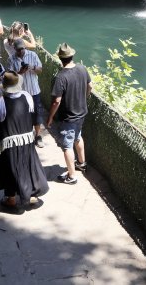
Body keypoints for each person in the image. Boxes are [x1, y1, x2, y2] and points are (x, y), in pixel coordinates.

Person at [0, 71, 49, 213]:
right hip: (27, 140)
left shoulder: (0, 103)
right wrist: (37, 134)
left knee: (10, 169)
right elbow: (36, 117)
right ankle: (31, 196)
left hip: (9, 144)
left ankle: (11, 199)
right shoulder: (27, 97)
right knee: (28, 166)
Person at [46, 42, 92, 184]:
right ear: (72, 56)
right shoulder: (82, 68)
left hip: (69, 117)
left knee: (67, 146)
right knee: (78, 137)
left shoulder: (61, 76)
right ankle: (81, 163)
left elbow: (56, 101)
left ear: (60, 58)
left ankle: (71, 176)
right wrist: (84, 98)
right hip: (82, 112)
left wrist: (50, 117)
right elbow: (90, 86)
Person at [9, 37, 45, 147]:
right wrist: (20, 72)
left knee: (37, 114)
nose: (20, 51)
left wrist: (32, 67)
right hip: (21, 92)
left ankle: (38, 136)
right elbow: (10, 77)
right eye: (18, 50)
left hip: (34, 91)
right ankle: (26, 135)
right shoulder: (11, 59)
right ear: (14, 49)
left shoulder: (33, 55)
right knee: (22, 114)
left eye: (22, 49)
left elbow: (40, 70)